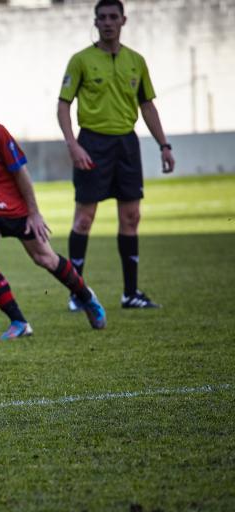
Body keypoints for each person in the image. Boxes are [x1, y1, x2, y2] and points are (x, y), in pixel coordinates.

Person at [0, 81, 107, 339]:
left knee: (44, 258)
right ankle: (19, 322)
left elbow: (21, 172)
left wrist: (34, 213)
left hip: (15, 208)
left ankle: (86, 296)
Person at [57, 0, 175, 310]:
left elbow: (147, 105)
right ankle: (77, 295)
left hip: (126, 144)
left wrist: (164, 145)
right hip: (92, 143)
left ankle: (130, 293)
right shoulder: (80, 60)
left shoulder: (136, 61)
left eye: (113, 17)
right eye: (102, 18)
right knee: (84, 219)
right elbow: (63, 105)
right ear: (95, 22)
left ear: (124, 20)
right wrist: (73, 144)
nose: (108, 22)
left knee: (131, 217)